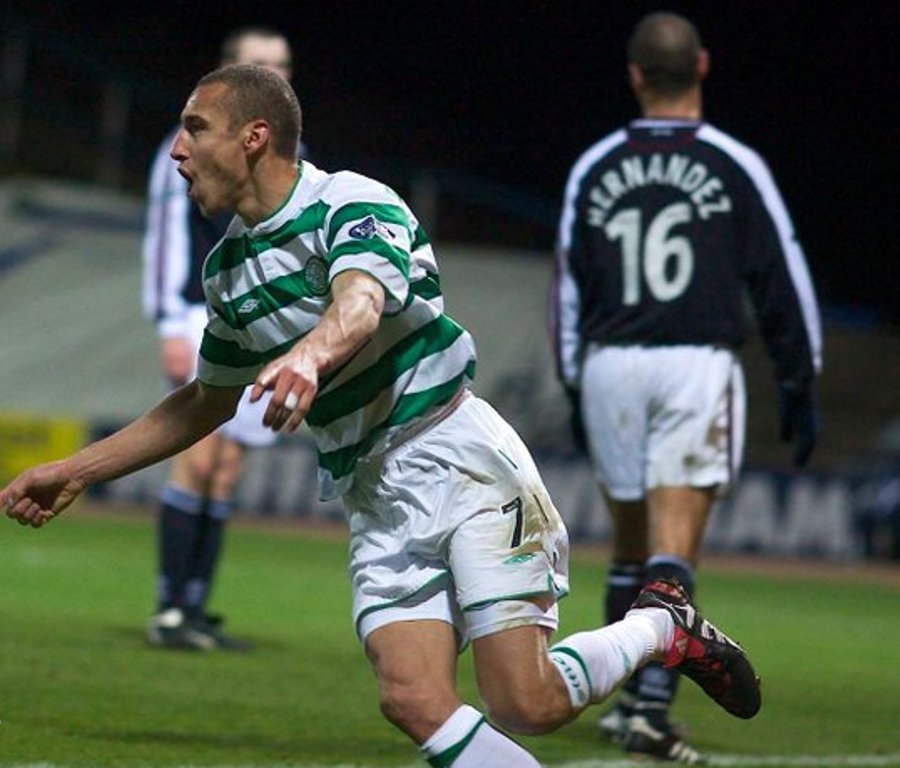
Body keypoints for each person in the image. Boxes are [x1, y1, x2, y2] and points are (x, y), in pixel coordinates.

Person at [3, 64, 761, 766]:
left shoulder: (350, 203)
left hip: (461, 462)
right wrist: (77, 470)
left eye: (195, 128)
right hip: (374, 495)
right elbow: (206, 399)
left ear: (254, 136)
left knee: (523, 703)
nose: (177, 150)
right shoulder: (227, 273)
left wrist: (310, 357)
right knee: (411, 699)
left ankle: (660, 626)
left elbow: (360, 301)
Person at [552, 12, 821, 763]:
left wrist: (575, 384)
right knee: (673, 552)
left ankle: (622, 702)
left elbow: (567, 290)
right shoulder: (734, 163)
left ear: (635, 75)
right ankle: (648, 711)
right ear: (701, 65)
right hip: (694, 364)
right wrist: (799, 381)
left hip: (611, 364)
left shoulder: (596, 164)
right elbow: (782, 278)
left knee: (630, 547)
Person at [141, 26, 296, 650]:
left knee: (227, 470)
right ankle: (169, 609)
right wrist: (168, 321)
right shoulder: (187, 144)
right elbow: (165, 236)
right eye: (259, 63)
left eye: (281, 65)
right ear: (230, 70)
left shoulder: (290, 151)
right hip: (197, 313)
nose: (274, 74)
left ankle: (196, 606)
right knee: (199, 457)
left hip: (257, 324)